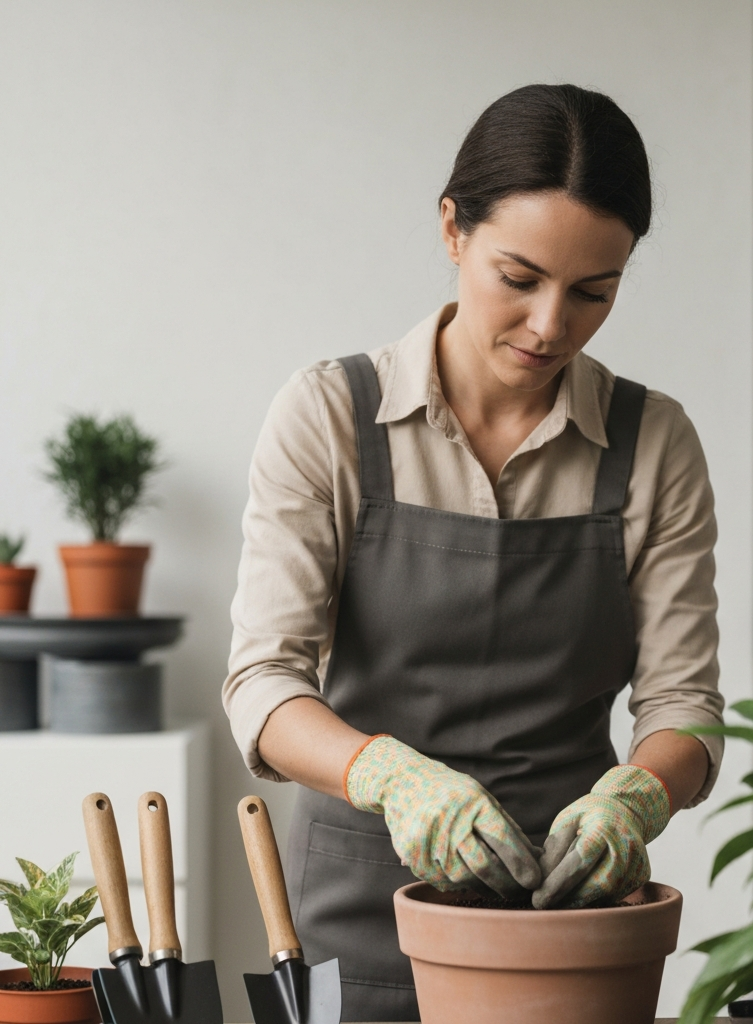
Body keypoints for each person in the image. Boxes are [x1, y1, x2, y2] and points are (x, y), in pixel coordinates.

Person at [224, 83, 724, 1022]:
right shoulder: (331, 416)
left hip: (570, 920)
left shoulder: (654, 442)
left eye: (592, 293)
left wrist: (638, 799)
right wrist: (391, 776)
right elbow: (263, 685)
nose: (550, 328)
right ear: (453, 230)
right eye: (519, 277)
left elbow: (684, 708)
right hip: (358, 911)